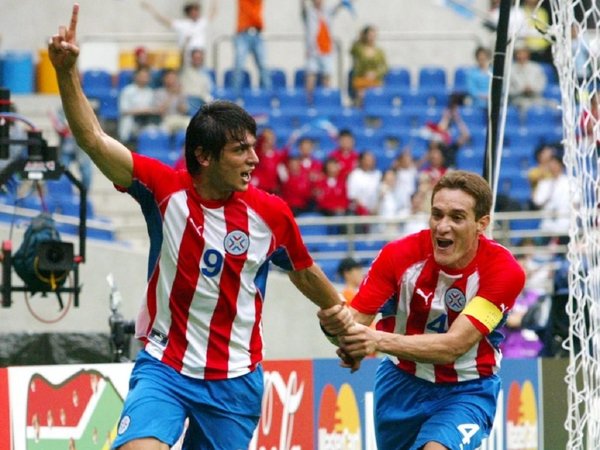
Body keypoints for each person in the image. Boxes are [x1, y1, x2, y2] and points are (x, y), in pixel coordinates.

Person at [48, 5, 353, 449]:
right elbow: (93, 140)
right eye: (239, 151)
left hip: (235, 382)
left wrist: (343, 319)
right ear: (204, 156)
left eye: (253, 148)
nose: (254, 160)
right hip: (164, 367)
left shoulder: (271, 213)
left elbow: (304, 272)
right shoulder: (163, 190)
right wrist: (66, 72)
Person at [319, 170, 526, 450]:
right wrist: (335, 328)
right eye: (437, 214)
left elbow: (454, 345)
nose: (442, 226)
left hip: (467, 388)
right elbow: (352, 327)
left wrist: (376, 340)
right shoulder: (397, 256)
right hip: (399, 384)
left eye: (456, 217)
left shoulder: (503, 271)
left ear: (482, 224)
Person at [300, 0, 349, 101]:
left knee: (327, 77)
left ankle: (326, 101)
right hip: (312, 51)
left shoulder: (328, 12)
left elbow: (339, 6)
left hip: (326, 50)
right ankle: (309, 101)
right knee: (310, 76)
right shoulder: (309, 13)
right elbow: (302, 7)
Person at [141, 0, 217, 62]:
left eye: (196, 10)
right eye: (192, 10)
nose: (195, 13)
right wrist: (151, 9)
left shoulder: (202, 22)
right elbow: (163, 20)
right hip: (186, 58)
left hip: (200, 57)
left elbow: (213, 12)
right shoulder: (181, 24)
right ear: (188, 12)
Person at [232, 0, 271, 94]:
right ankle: (234, 96)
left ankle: (267, 96)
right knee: (239, 66)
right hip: (242, 33)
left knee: (264, 66)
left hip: (257, 33)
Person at [349, 24, 388, 106]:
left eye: (374, 35)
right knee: (361, 94)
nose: (372, 37)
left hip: (375, 80)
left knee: (377, 93)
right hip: (361, 79)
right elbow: (352, 51)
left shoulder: (379, 51)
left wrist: (375, 74)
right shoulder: (359, 49)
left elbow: (385, 67)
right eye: (370, 35)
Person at [179, 47, 214, 113]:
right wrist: (185, 44)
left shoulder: (206, 73)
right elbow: (181, 57)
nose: (197, 60)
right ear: (191, 58)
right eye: (195, 58)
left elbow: (209, 90)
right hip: (188, 100)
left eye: (199, 58)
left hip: (202, 101)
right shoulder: (185, 69)